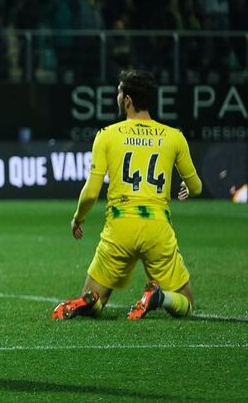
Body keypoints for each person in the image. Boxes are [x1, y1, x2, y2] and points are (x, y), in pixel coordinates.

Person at [52, 70, 202, 321]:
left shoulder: (107, 135)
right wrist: (188, 189)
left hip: (119, 227)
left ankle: (90, 302)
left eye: (120, 92)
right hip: (156, 227)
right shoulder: (174, 137)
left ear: (128, 100)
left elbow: (90, 192)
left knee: (94, 298)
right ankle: (159, 297)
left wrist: (78, 218)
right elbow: (196, 186)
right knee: (186, 303)